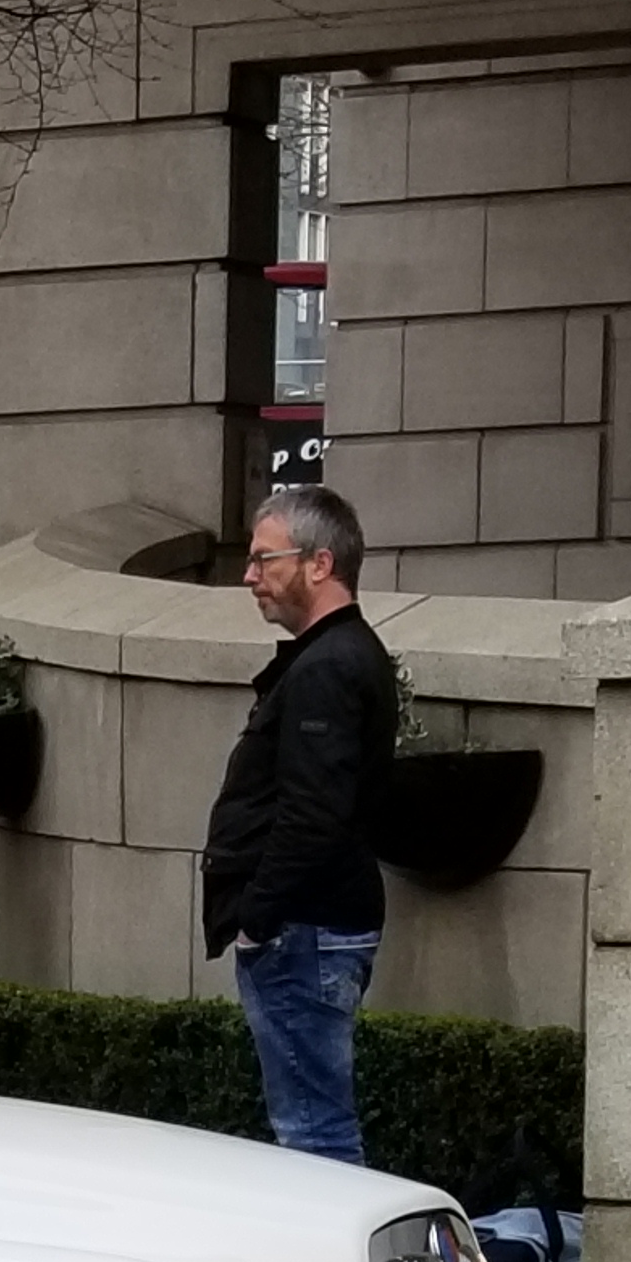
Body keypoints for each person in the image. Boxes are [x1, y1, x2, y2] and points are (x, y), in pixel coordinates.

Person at [203, 485, 399, 1163]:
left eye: (265, 559)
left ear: (319, 564)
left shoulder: (329, 666)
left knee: (314, 1136)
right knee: (315, 1128)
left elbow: (313, 814)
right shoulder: (340, 657)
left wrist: (258, 918)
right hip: (311, 926)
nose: (250, 575)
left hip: (302, 930)